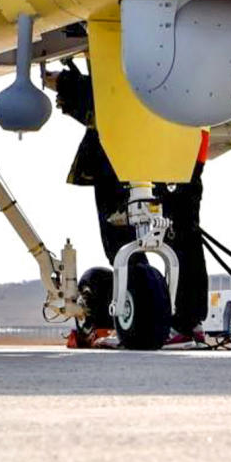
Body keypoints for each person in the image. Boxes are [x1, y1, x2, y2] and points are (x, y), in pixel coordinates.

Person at [53, 59, 209, 346]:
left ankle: (149, 319)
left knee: (125, 236)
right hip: (183, 148)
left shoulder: (141, 59)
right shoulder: (190, 64)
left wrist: (63, 84)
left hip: (124, 156)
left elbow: (116, 97)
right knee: (183, 234)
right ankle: (187, 322)